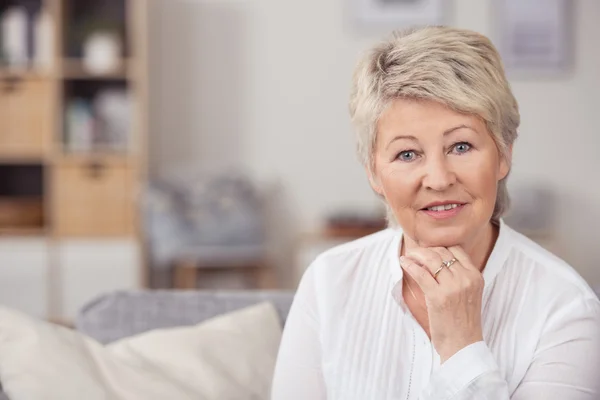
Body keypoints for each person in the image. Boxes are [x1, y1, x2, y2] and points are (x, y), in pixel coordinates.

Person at [271, 26, 600, 399]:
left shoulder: (565, 307)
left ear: (504, 154)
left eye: (461, 146)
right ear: (374, 173)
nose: (439, 179)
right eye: (407, 154)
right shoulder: (329, 282)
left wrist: (462, 346)